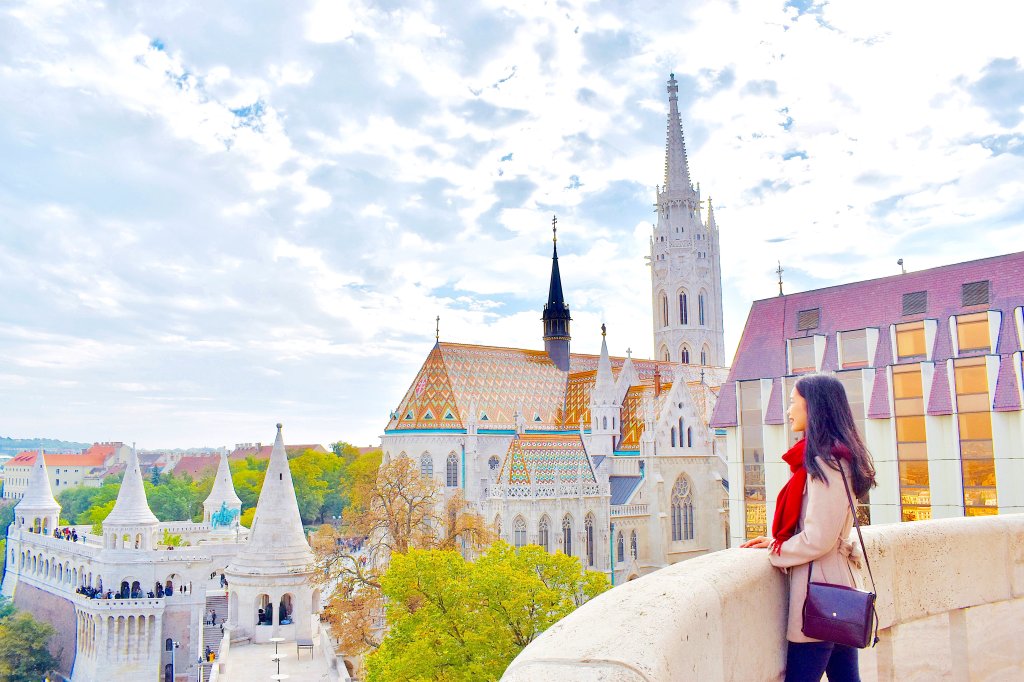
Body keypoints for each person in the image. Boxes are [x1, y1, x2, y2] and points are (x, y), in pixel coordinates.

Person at [741, 373, 876, 682]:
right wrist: (777, 540)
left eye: (794, 403)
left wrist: (778, 551)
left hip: (820, 592)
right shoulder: (833, 458)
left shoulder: (828, 462)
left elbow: (819, 537)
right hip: (834, 587)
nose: (789, 411)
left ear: (813, 408)